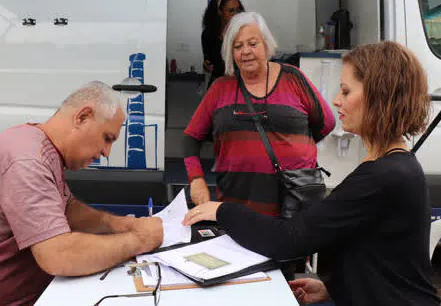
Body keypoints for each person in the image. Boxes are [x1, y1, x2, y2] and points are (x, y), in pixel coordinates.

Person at [183, 41, 441, 306]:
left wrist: (222, 211)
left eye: (346, 91)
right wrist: (333, 287)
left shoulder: (384, 177)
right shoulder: (396, 165)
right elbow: (382, 257)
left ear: (379, 96)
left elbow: (289, 239)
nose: (336, 100)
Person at [0, 81, 163, 305]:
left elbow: (67, 210)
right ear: (83, 116)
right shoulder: (27, 161)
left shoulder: (39, 146)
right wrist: (139, 241)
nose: (107, 152)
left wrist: (122, 225)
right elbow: (58, 255)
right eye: (107, 138)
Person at [186, 11, 335, 213]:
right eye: (237, 46)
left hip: (294, 204)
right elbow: (190, 138)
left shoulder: (293, 78)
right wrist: (196, 179)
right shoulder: (220, 88)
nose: (245, 51)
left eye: (253, 43)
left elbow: (326, 123)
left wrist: (294, 143)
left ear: (266, 44)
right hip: (237, 207)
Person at [202, 0, 245, 88]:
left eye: (238, 10)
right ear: (219, 11)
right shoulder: (209, 34)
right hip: (219, 83)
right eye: (231, 11)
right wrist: (207, 65)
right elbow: (207, 59)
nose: (235, 14)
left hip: (241, 83)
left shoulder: (244, 32)